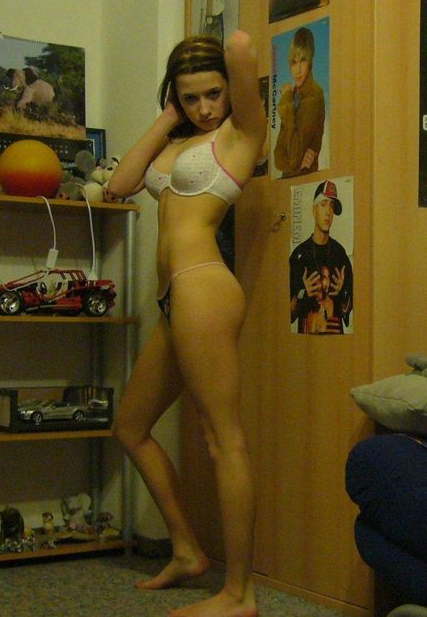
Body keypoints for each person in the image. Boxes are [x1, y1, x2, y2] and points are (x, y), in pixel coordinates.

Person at [108, 31, 266, 617]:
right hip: (174, 299)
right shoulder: (177, 140)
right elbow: (119, 185)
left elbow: (243, 45)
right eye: (190, 97)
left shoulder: (241, 134)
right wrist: (167, 115)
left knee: (223, 439)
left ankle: (239, 594)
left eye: (213, 93)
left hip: (205, 287)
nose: (204, 107)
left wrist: (221, 55)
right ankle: (186, 550)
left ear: (230, 90)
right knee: (130, 427)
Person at [289, 180, 353, 334]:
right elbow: (288, 314)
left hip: (335, 337)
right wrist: (302, 294)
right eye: (323, 204)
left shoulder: (340, 254)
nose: (328, 212)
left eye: (332, 206)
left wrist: (342, 293)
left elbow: (348, 306)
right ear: (314, 210)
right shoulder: (299, 255)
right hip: (307, 339)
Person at [273, 26, 325, 178]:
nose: (297, 70)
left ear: (310, 61)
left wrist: (286, 99)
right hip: (288, 179)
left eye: (303, 60)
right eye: (293, 62)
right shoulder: (294, 95)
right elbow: (278, 158)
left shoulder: (314, 94)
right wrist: (293, 164)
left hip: (305, 179)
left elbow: (294, 158)